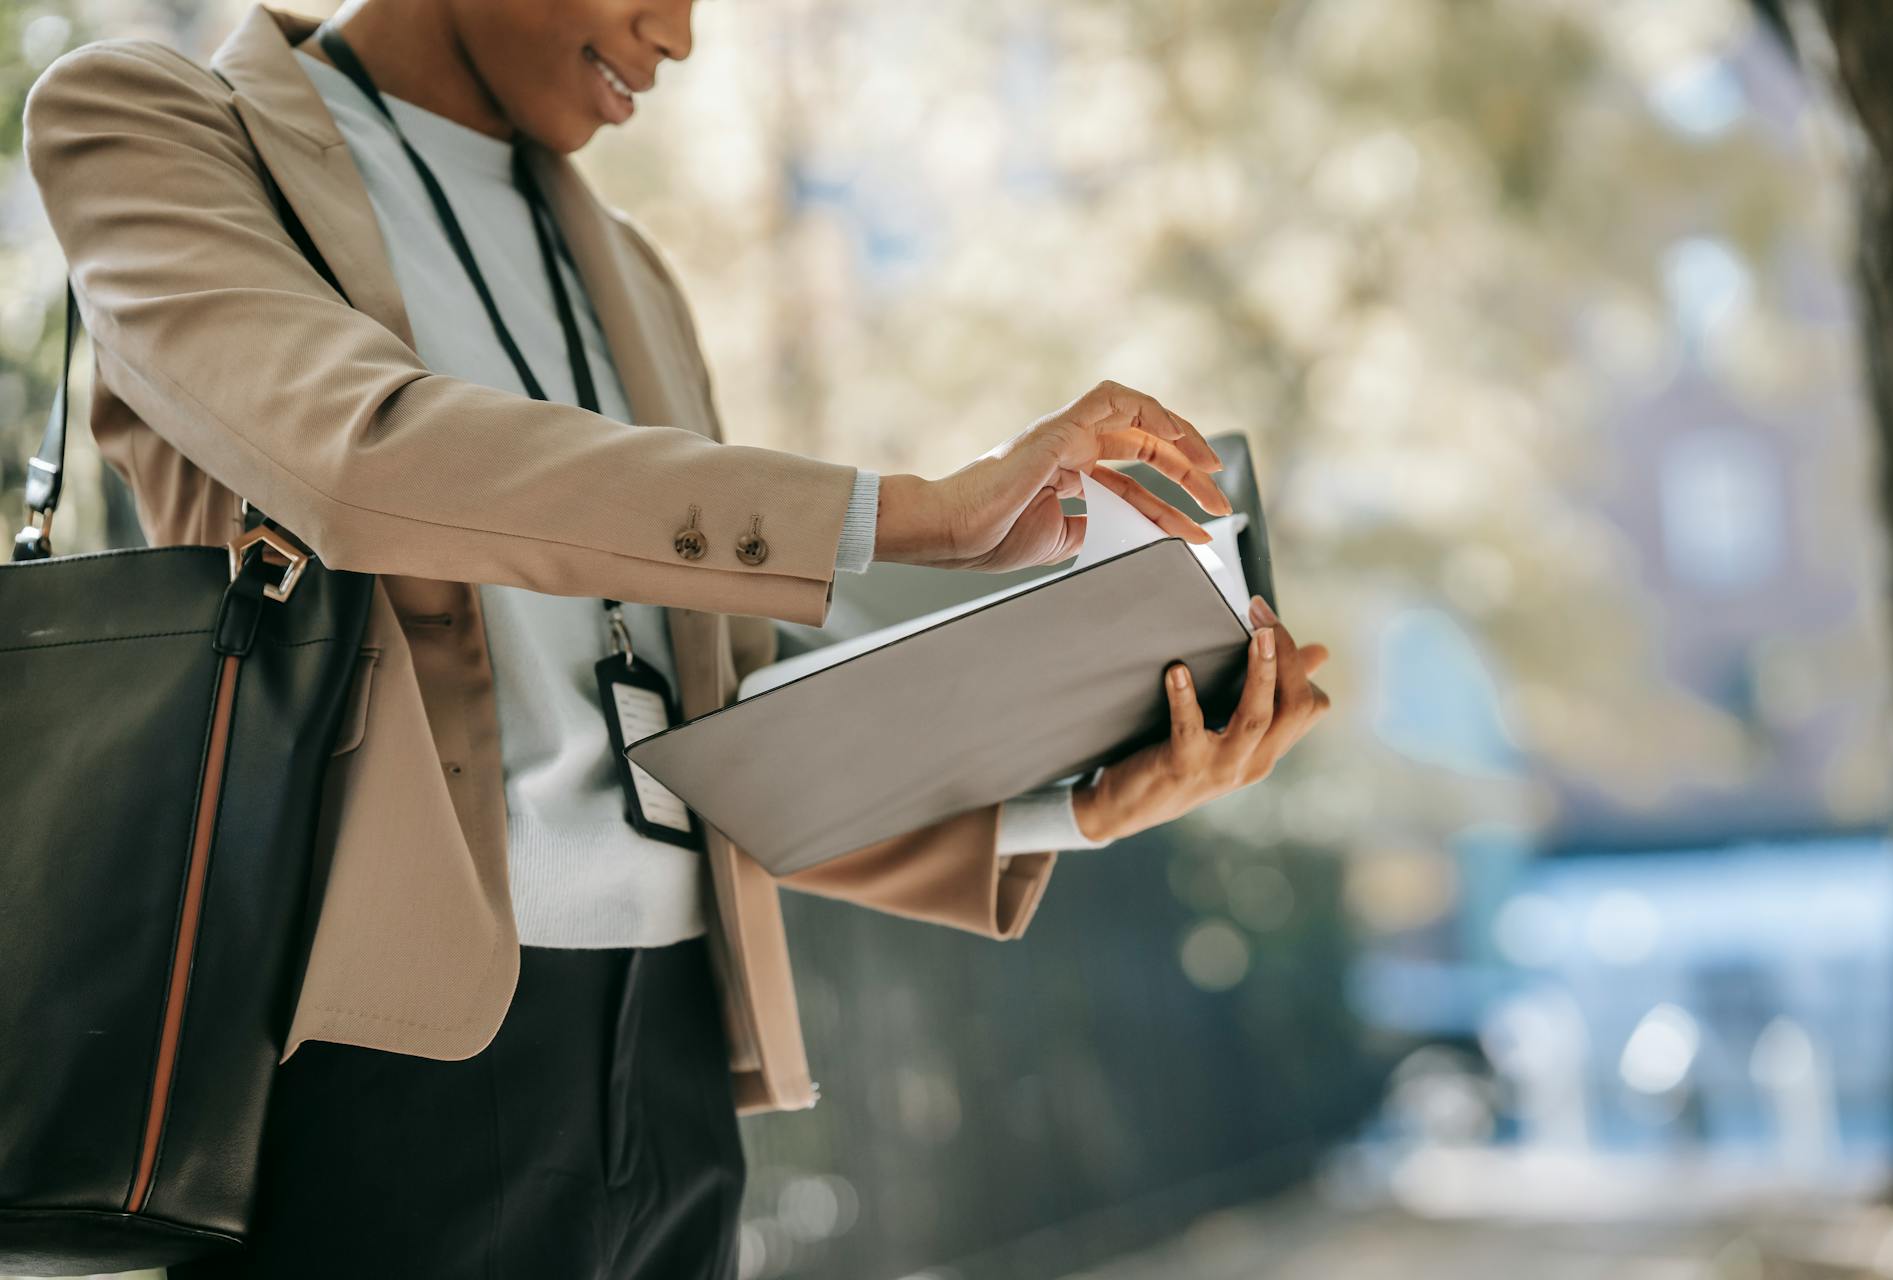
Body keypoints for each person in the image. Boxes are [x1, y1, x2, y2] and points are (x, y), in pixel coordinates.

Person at [21, 1, 1332, 1275]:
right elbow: (350, 458)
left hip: (675, 1064)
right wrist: (903, 513)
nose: (683, 34)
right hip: (372, 1058)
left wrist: (1077, 802)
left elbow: (721, 723)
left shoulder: (631, 272)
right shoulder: (154, 120)